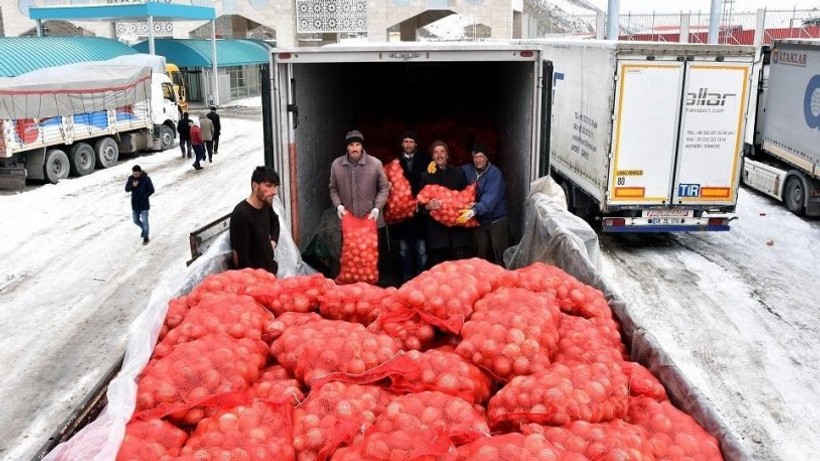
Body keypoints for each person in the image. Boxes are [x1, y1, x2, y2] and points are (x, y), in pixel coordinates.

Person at [329, 130, 391, 279]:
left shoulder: (375, 164)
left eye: (358, 144)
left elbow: (384, 187)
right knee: (350, 258)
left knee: (371, 260)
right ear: (347, 147)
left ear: (362, 146)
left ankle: (372, 289)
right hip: (349, 222)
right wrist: (338, 206)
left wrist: (377, 208)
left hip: (371, 220)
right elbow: (333, 188)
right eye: (351, 145)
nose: (355, 148)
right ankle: (352, 288)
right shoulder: (337, 165)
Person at [419, 140, 471, 266]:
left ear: (447, 155)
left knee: (458, 271)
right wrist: (427, 206)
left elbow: (467, 195)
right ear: (432, 156)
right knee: (438, 272)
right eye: (436, 152)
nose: (439, 155)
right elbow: (420, 203)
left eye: (442, 151)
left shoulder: (458, 173)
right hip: (437, 235)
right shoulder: (426, 176)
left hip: (457, 233)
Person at [458, 143, 510, 266]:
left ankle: (502, 280)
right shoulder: (467, 170)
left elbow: (490, 199)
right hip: (479, 220)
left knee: (499, 255)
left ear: (487, 158)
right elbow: (453, 174)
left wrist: (474, 210)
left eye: (481, 156)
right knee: (480, 256)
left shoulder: (495, 173)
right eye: (475, 157)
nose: (478, 160)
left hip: (496, 220)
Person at [391, 130, 430, 281]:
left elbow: (429, 184)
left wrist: (421, 202)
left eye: (411, 142)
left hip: (419, 213)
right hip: (402, 215)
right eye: (406, 141)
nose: (408, 144)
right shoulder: (395, 163)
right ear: (402, 144)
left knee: (421, 249)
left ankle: (422, 278)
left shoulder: (425, 161)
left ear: (416, 144)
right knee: (403, 248)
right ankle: (406, 277)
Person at [230, 166, 281, 274]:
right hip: (257, 283)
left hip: (270, 273)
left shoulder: (265, 205)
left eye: (275, 186)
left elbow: (275, 221)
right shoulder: (242, 215)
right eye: (269, 186)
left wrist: (273, 242)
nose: (274, 192)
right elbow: (242, 262)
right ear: (255, 186)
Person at [125, 164, 155, 245]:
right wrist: (132, 185)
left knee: (145, 221)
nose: (135, 176)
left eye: (136, 174)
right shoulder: (131, 178)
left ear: (140, 172)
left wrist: (145, 196)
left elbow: (152, 190)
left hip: (144, 204)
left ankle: (146, 236)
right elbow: (126, 189)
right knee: (135, 220)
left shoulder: (146, 179)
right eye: (133, 174)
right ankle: (144, 229)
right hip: (135, 204)